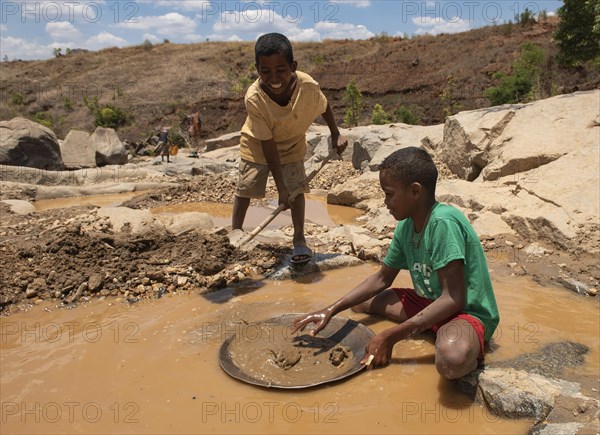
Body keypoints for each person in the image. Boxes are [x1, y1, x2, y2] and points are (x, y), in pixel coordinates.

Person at [292, 147, 499, 379]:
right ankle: (433, 327)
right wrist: (330, 310)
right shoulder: (407, 224)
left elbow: (454, 298)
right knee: (360, 303)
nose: (385, 202)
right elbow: (382, 278)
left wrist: (392, 335)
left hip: (463, 311)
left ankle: (466, 341)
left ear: (415, 191)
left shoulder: (443, 223)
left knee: (452, 359)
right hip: (429, 302)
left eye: (389, 194)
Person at [232, 32, 347, 264]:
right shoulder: (254, 98)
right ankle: (235, 233)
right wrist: (280, 189)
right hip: (258, 144)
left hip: (293, 142)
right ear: (257, 69)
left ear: (293, 66)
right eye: (266, 71)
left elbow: (323, 107)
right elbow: (268, 144)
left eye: (281, 70)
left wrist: (336, 134)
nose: (274, 78)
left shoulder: (307, 86)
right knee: (246, 187)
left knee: (296, 191)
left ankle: (299, 239)